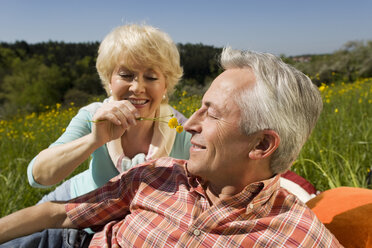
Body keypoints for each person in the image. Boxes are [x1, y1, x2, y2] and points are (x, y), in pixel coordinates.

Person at [0, 47, 342, 247]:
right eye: (127, 75)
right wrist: (95, 139)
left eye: (211, 114)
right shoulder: (157, 175)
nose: (191, 124)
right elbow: (56, 212)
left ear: (262, 144)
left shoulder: (298, 237)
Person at [27, 24, 191, 203]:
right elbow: (37, 177)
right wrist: (94, 140)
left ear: (165, 85)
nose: (137, 88)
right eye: (126, 75)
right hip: (75, 202)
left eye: (151, 77)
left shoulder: (182, 129)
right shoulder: (93, 116)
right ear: (109, 80)